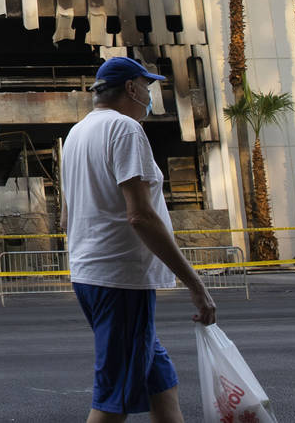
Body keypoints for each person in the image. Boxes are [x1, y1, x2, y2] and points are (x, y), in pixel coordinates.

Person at [61, 57, 217, 423]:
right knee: (112, 400)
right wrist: (195, 284)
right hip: (121, 281)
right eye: (147, 87)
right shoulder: (125, 130)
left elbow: (67, 216)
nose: (149, 95)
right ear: (131, 88)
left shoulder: (76, 135)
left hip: (92, 275)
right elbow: (141, 215)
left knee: (160, 381)